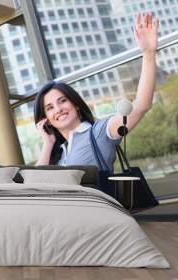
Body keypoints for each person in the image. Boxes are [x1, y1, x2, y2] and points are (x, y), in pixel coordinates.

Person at [35, 12, 159, 172]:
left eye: (62, 101)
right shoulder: (60, 154)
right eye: (50, 107)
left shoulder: (99, 132)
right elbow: (37, 183)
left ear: (76, 105)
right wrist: (48, 143)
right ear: (47, 121)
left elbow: (142, 105)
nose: (58, 109)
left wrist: (148, 53)